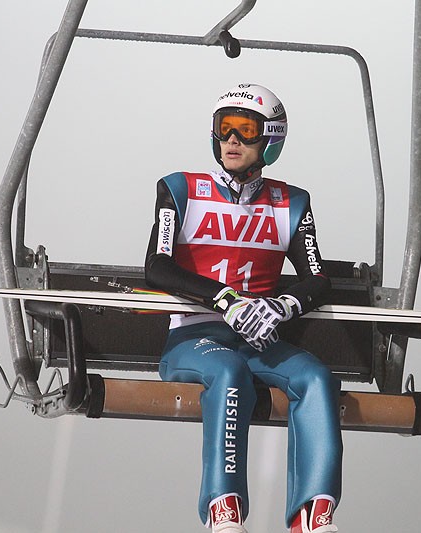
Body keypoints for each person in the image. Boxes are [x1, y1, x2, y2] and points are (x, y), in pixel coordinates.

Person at [145, 83, 342, 533]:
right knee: (229, 372)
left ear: (271, 139)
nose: (231, 140)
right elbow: (157, 266)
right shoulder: (179, 189)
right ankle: (224, 510)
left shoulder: (292, 202)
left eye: (246, 129)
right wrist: (225, 299)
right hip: (194, 338)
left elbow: (317, 277)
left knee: (316, 377)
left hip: (258, 338)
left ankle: (313, 515)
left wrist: (284, 306)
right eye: (224, 127)